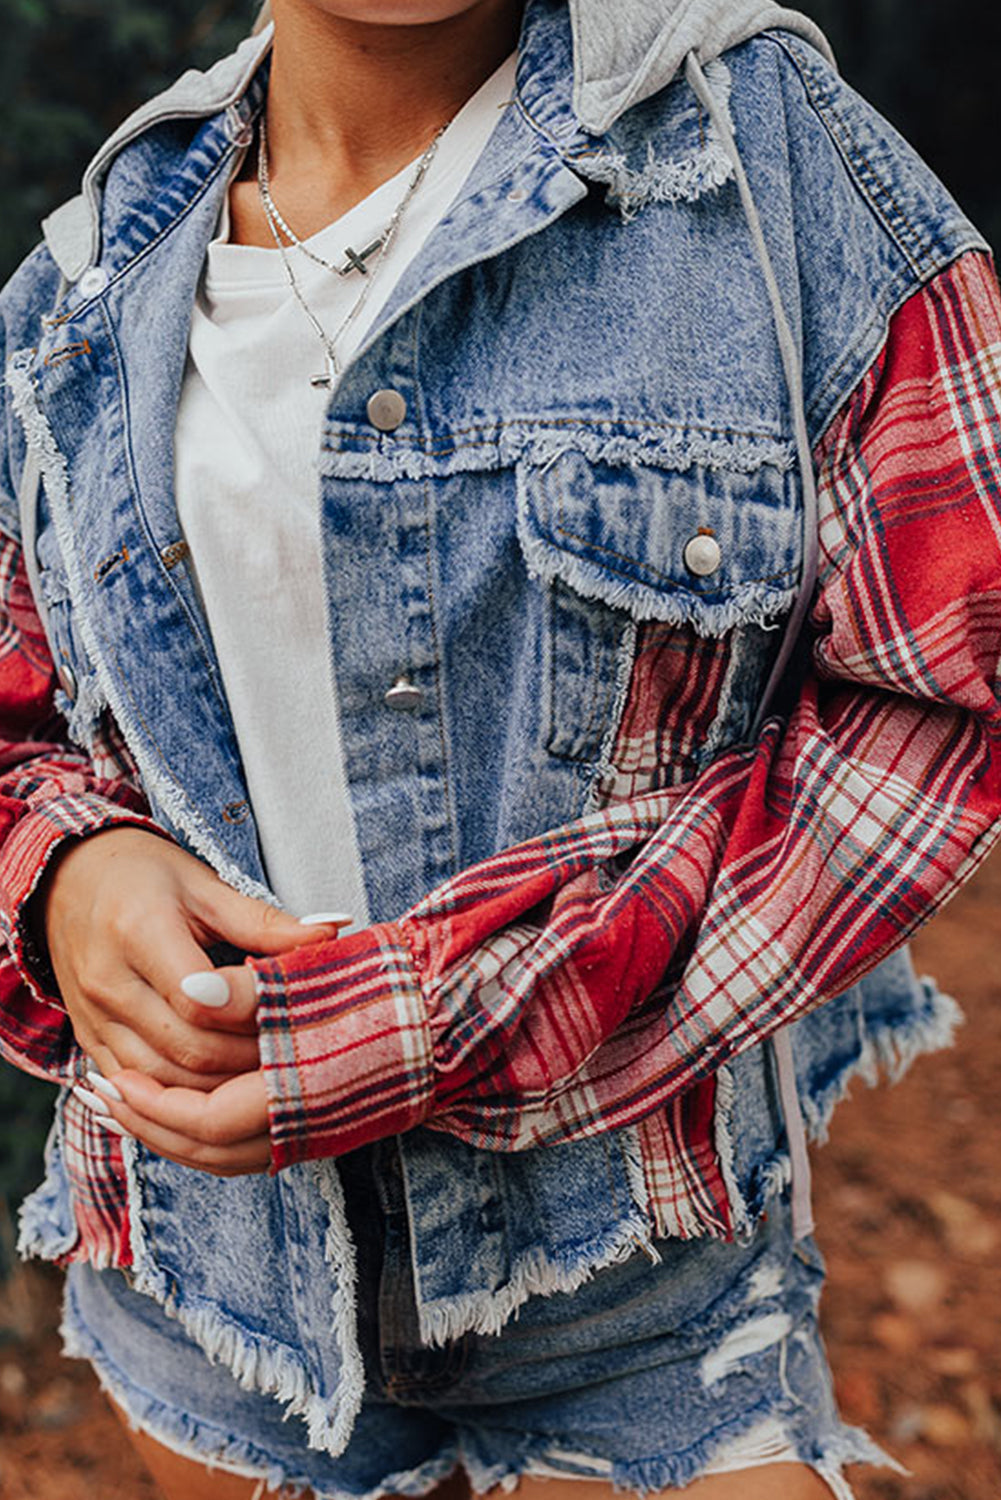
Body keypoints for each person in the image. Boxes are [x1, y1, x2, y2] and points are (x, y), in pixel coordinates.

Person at [2, 0, 1000, 1496]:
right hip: (218, 1298)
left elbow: (932, 702)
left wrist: (451, 1017)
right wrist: (66, 868)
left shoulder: (768, 165)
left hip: (630, 1292)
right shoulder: (91, 276)